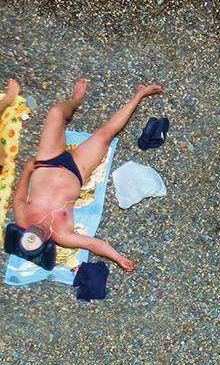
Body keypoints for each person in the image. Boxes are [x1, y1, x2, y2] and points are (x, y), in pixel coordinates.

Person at [11, 79, 162, 272]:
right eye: (40, 233)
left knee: (56, 112)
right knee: (106, 134)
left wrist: (26, 171)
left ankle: (75, 101)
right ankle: (140, 94)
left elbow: (18, 199)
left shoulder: (22, 220)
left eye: (32, 229)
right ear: (45, 242)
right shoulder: (62, 235)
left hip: (46, 162)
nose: (38, 227)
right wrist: (118, 258)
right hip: (77, 170)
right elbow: (92, 244)